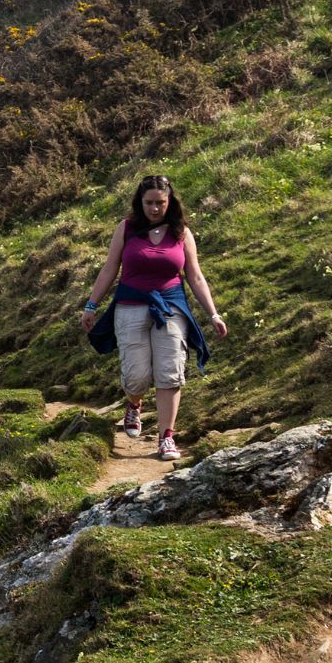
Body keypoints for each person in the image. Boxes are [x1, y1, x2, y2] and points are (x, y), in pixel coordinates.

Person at [74, 174, 229, 460]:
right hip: (130, 306)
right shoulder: (127, 229)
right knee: (137, 376)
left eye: (160, 202)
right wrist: (91, 305)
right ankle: (134, 404)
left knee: (170, 372)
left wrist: (214, 314)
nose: (155, 208)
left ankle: (166, 437)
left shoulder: (181, 233)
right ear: (140, 202)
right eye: (149, 203)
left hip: (171, 307)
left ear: (170, 202)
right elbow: (109, 269)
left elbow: (194, 276)